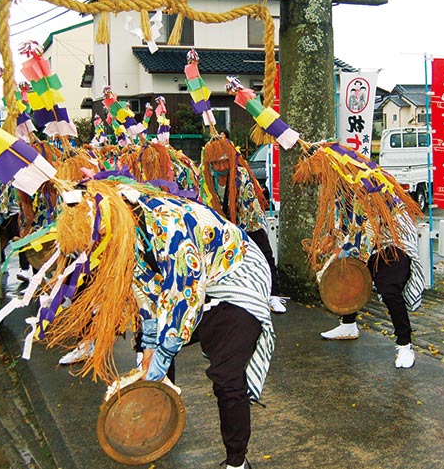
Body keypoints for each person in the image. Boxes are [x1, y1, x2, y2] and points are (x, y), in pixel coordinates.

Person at [44, 180, 275, 469]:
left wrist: (158, 362)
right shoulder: (121, 233)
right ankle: (162, 406)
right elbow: (147, 296)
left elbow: (182, 298)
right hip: (196, 284)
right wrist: (149, 353)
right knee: (152, 341)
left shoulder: (169, 224)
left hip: (238, 276)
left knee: (226, 373)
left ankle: (237, 461)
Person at [319, 198, 422, 369]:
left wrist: (341, 252)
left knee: (388, 287)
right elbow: (344, 223)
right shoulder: (343, 190)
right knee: (348, 275)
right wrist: (330, 236)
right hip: (373, 243)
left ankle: (405, 345)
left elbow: (366, 234)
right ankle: (348, 325)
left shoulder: (368, 190)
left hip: (395, 243)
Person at [199, 136, 287, 314]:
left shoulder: (242, 174)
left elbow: (245, 207)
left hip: (249, 221)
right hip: (220, 227)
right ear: (210, 163)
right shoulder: (204, 176)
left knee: (264, 255)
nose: (222, 167)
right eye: (216, 163)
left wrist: (236, 231)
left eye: (225, 162)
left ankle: (274, 295)